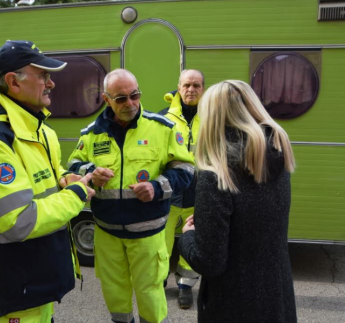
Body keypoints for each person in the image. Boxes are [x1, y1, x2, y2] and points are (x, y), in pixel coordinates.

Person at [0, 40, 95, 323]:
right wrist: (77, 193)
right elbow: (19, 220)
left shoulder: (34, 126)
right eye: (43, 75)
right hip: (17, 283)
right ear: (13, 82)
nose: (51, 83)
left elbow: (47, 173)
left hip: (36, 275)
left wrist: (65, 178)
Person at [67, 69, 195, 323]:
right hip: (107, 233)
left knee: (150, 293)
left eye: (134, 95)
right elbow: (72, 165)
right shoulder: (91, 134)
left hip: (148, 234)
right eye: (121, 98)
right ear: (106, 100)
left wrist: (157, 187)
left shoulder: (162, 128)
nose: (130, 103)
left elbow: (185, 169)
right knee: (115, 293)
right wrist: (90, 173)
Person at [178, 80, 297, 323]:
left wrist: (189, 236)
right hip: (277, 297)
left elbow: (209, 261)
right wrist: (210, 224)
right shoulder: (277, 155)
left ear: (211, 119)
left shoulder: (217, 175)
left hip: (234, 305)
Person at [158, 69, 204, 309]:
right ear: (178, 87)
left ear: (203, 90)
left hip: (199, 194)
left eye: (196, 85)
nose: (191, 89)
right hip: (170, 193)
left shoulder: (211, 118)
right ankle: (159, 282)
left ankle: (186, 286)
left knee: (191, 241)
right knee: (160, 243)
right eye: (187, 85)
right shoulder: (162, 117)